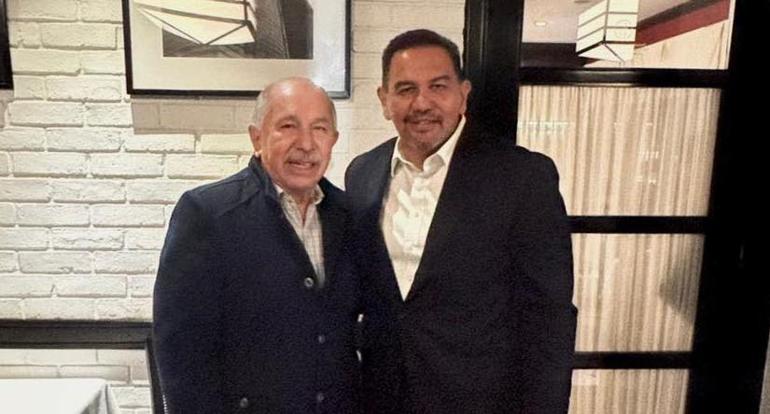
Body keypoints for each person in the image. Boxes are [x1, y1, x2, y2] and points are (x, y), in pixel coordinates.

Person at [345, 29, 577, 413]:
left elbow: (549, 317)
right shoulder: (362, 173)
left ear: (463, 94)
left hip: (481, 401)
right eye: (405, 89)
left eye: (438, 87)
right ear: (384, 100)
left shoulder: (522, 177)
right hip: (382, 398)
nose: (422, 103)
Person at [153, 77, 359, 413]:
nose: (306, 143)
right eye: (288, 126)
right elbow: (182, 353)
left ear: (333, 140)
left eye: (319, 129)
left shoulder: (348, 215)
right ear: (257, 137)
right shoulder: (208, 214)